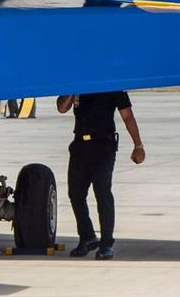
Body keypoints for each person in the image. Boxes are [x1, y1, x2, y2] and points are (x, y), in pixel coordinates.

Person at [57, 92, 145, 260]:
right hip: (80, 145)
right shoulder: (76, 84)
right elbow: (62, 108)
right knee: (75, 194)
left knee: (103, 194)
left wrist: (138, 145)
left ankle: (106, 244)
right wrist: (73, 89)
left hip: (103, 146)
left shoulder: (112, 84)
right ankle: (87, 237)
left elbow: (127, 116)